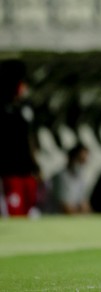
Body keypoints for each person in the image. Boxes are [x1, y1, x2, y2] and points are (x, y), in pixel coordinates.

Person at [0, 59, 41, 217]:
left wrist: (36, 165)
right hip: (9, 170)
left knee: (29, 207)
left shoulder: (25, 108)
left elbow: (30, 137)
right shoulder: (3, 108)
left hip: (26, 169)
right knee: (14, 210)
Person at [49, 143, 91, 214]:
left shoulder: (80, 178)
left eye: (84, 160)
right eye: (80, 159)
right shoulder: (60, 177)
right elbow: (64, 207)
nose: (83, 164)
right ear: (71, 158)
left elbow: (84, 205)